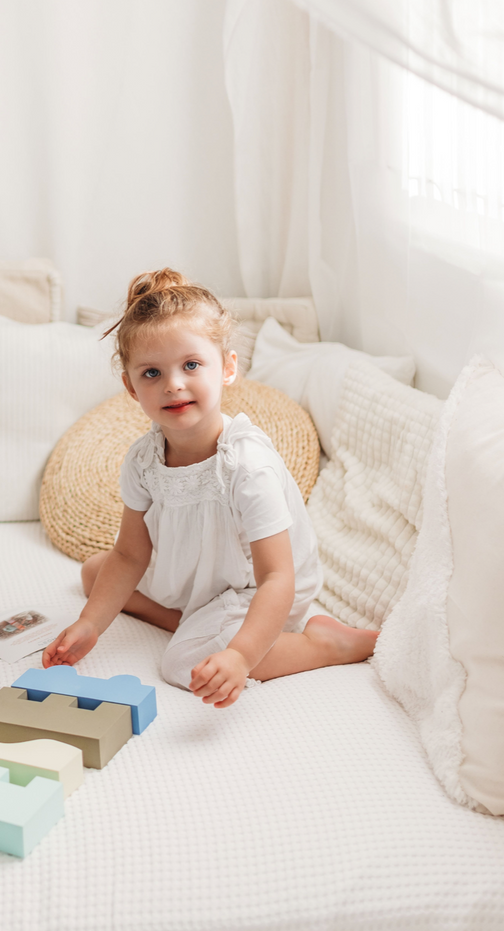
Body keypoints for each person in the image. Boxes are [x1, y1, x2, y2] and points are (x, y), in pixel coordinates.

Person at [43, 268, 378, 708]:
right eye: (151, 373)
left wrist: (240, 656)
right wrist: (90, 624)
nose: (173, 384)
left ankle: (324, 644)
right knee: (94, 573)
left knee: (183, 663)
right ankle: (193, 619)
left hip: (255, 586)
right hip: (196, 568)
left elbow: (277, 577)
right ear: (131, 387)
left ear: (228, 368)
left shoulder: (245, 465)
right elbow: (129, 555)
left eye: (191, 365)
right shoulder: (143, 460)